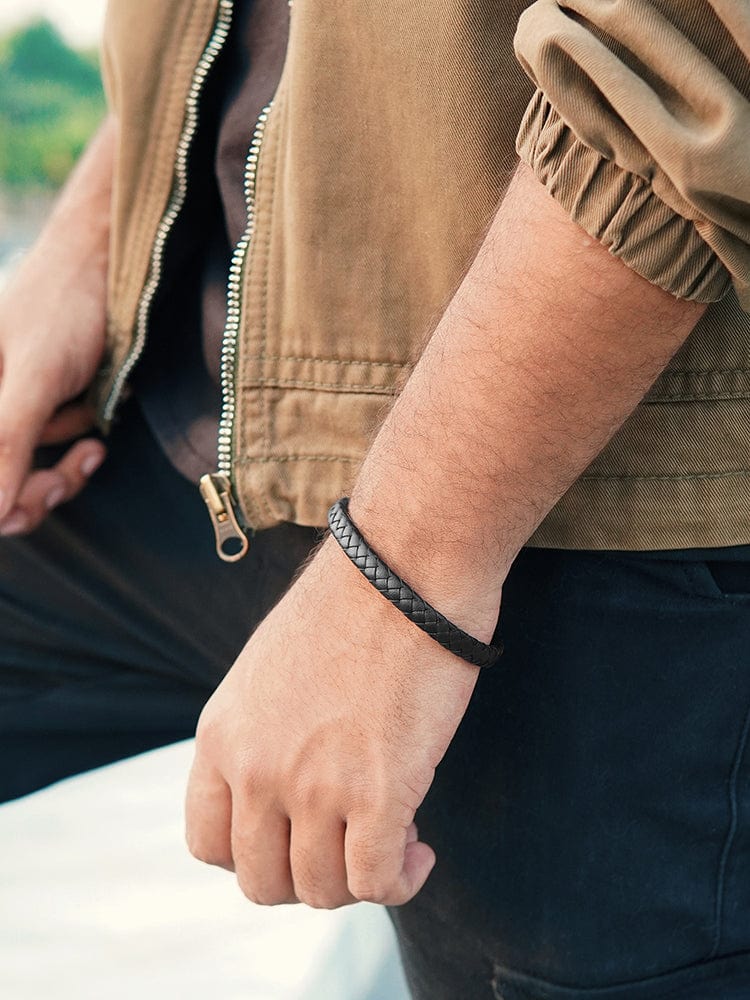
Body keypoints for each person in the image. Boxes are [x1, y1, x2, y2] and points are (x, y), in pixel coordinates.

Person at [3, 1, 750, 996]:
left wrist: (405, 569)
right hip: (172, 392)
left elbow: (686, 46)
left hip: (581, 499)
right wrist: (91, 235)